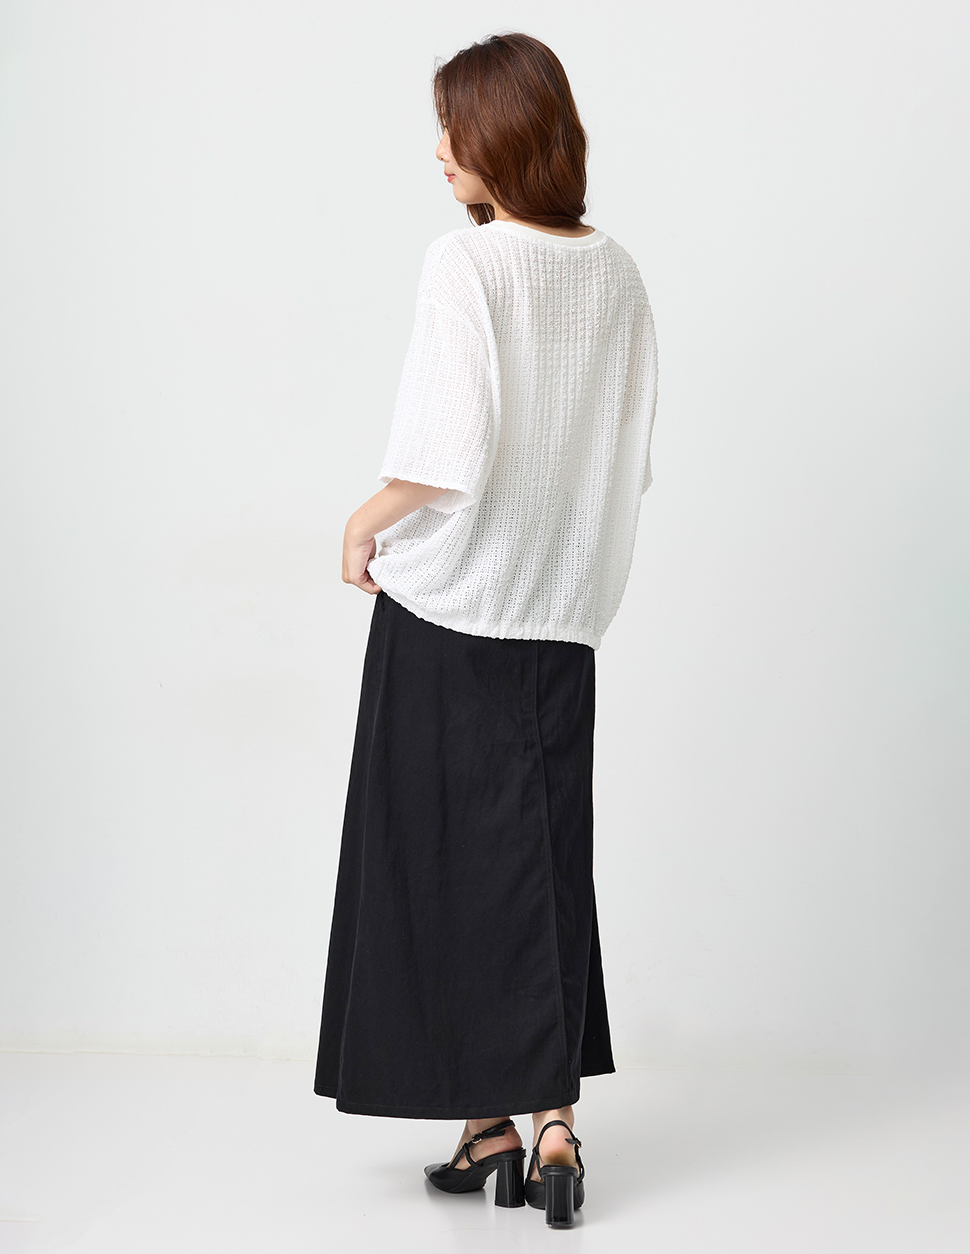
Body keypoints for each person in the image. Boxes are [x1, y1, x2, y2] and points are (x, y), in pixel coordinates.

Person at [313, 31, 658, 1229]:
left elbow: (446, 451)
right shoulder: (616, 274)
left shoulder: (465, 264)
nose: (439, 151)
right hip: (559, 615)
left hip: (452, 606)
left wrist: (363, 519)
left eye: (451, 127)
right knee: (542, 858)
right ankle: (549, 1125)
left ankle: (485, 1124)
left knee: (437, 860)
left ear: (498, 135)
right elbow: (628, 459)